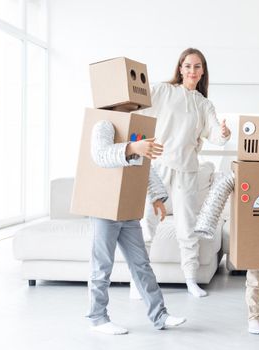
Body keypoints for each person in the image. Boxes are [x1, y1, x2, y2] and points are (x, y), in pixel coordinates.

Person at [139, 48, 231, 298]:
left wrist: (223, 132)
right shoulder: (163, 91)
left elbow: (216, 136)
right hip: (158, 168)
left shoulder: (204, 104)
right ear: (180, 68)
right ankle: (139, 283)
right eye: (188, 65)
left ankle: (190, 279)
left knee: (187, 227)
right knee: (148, 222)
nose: (192, 70)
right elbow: (137, 104)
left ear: (203, 71)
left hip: (187, 171)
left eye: (197, 66)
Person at [86, 120, 186, 334]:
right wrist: (132, 147)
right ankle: (97, 318)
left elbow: (143, 167)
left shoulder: (132, 128)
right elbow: (100, 154)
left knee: (141, 264)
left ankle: (160, 315)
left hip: (128, 209)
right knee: (101, 267)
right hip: (104, 209)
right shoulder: (103, 124)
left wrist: (157, 196)